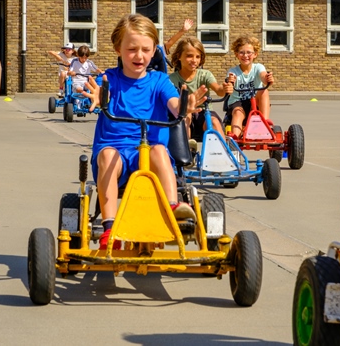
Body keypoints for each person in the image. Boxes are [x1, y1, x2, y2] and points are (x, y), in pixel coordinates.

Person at [81, 14, 205, 250]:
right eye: (132, 49)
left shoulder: (159, 80)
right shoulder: (110, 78)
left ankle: (171, 211)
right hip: (114, 150)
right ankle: (110, 228)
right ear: (118, 49)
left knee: (158, 149)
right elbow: (100, 90)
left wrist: (184, 105)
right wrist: (100, 96)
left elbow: (173, 103)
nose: (139, 56)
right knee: (108, 155)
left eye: (146, 50)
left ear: (154, 51)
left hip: (148, 153)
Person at [168, 37, 233, 141]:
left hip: (204, 110)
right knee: (185, 119)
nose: (194, 60)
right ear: (178, 56)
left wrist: (225, 88)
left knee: (213, 122)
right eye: (189, 56)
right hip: (185, 111)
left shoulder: (205, 75)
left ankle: (223, 151)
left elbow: (219, 90)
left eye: (198, 57)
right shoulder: (172, 79)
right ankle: (186, 151)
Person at [225, 36, 274, 138]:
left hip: (255, 102)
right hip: (238, 102)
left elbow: (263, 76)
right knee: (238, 113)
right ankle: (235, 139)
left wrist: (267, 79)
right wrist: (231, 82)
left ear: (255, 54)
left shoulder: (258, 67)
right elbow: (231, 80)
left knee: (264, 91)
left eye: (249, 52)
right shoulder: (233, 71)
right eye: (241, 52)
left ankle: (263, 123)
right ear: (236, 54)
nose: (245, 55)